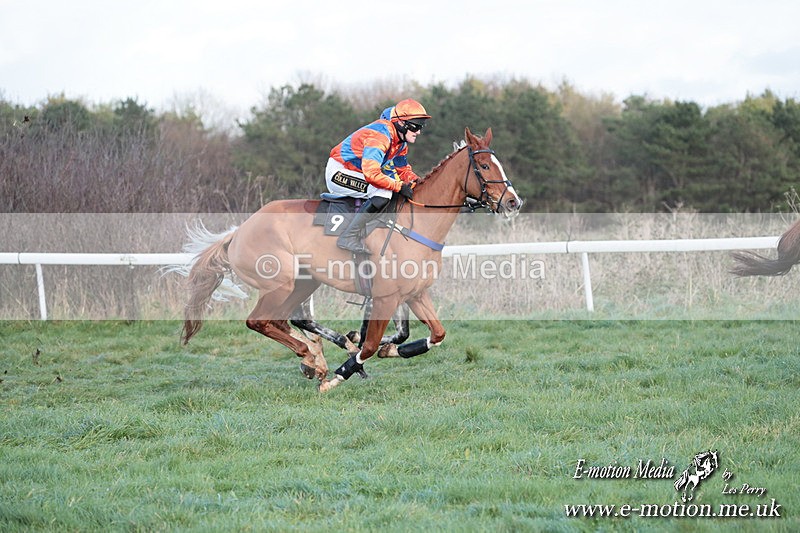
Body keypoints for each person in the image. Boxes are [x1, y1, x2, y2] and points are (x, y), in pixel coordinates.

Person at [326, 98, 430, 254]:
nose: (419, 131)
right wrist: (399, 186)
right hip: (339, 172)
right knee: (383, 192)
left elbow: (403, 171)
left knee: (391, 190)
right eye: (416, 126)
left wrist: (421, 184)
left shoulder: (400, 143)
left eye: (421, 126)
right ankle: (348, 237)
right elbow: (372, 174)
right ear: (401, 123)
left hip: (357, 172)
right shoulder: (380, 136)